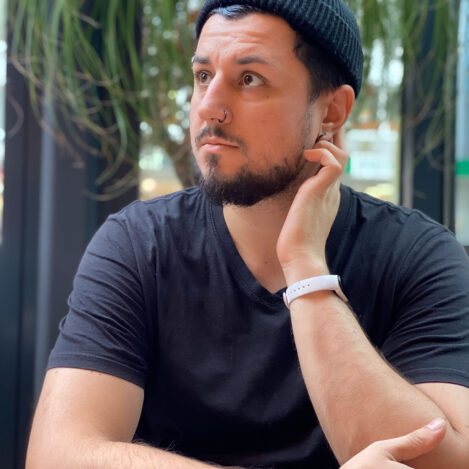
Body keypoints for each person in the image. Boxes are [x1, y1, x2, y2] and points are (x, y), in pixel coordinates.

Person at [26, 1, 469, 468]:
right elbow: (56, 456)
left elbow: (445, 462)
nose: (209, 107)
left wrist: (305, 268)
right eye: (203, 76)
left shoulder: (415, 255)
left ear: (332, 111)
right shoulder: (139, 244)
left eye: (250, 79)